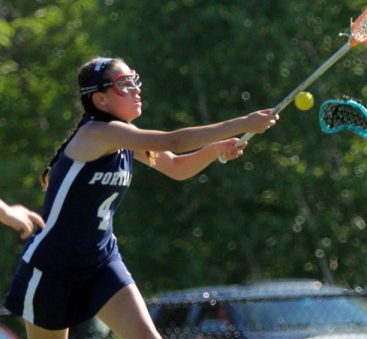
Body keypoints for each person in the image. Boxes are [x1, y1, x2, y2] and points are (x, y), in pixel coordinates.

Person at [3, 57, 279, 339]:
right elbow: (173, 141)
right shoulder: (98, 133)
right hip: (53, 268)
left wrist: (214, 149)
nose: (135, 89)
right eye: (124, 84)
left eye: (134, 80)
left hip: (100, 261)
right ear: (100, 99)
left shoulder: (125, 138)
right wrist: (244, 122)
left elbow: (176, 166)